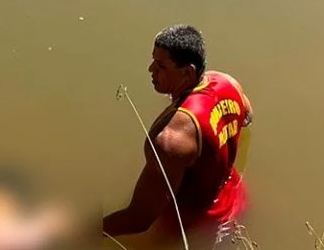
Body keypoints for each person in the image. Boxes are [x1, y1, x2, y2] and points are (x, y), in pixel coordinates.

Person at [101, 24, 254, 239]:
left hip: (194, 224)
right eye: (153, 60)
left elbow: (139, 220)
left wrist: (79, 234)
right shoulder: (226, 82)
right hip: (234, 196)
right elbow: (246, 118)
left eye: (161, 65)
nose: (151, 69)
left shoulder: (170, 139)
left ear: (187, 72)